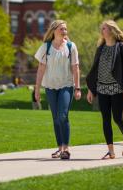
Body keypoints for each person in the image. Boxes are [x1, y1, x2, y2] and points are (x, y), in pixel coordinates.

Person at [86, 20, 123, 159]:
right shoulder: (100, 48)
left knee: (117, 118)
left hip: (117, 89)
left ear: (112, 30)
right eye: (102, 29)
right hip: (102, 88)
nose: (102, 31)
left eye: (104, 28)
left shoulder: (122, 47)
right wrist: (91, 89)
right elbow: (94, 70)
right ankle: (111, 151)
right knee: (105, 120)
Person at [34, 20, 81, 160]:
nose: (64, 31)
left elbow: (75, 68)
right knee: (55, 118)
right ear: (54, 30)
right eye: (61, 29)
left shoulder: (71, 47)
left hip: (66, 85)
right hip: (50, 86)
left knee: (63, 115)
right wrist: (37, 89)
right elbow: (41, 69)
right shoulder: (45, 47)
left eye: (66, 29)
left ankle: (66, 149)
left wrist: (77, 87)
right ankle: (59, 148)